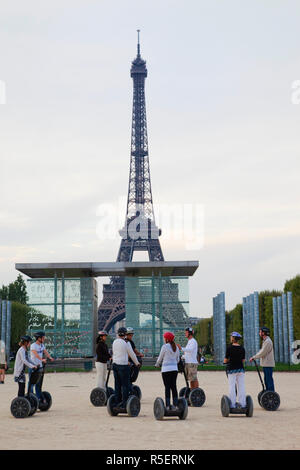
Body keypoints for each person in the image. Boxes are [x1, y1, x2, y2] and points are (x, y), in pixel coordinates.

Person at [112, 327, 140, 408]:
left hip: (115, 365)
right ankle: (124, 404)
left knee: (117, 385)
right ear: (125, 334)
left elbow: (114, 353)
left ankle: (117, 402)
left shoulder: (114, 342)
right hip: (123, 366)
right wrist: (137, 363)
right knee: (125, 385)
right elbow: (132, 354)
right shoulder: (126, 343)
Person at [155, 331, 180, 411]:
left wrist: (157, 364)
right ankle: (176, 405)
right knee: (174, 387)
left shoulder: (165, 347)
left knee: (167, 387)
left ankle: (168, 405)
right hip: (174, 370)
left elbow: (160, 358)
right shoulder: (176, 347)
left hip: (166, 370)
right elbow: (178, 360)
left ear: (167, 339)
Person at [28, 331, 54, 401]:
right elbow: (35, 354)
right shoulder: (33, 345)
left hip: (40, 367)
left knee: (38, 384)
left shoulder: (42, 345)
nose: (44, 339)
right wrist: (42, 359)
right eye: (43, 337)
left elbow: (45, 352)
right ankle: (31, 396)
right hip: (33, 367)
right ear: (39, 338)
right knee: (31, 383)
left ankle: (38, 398)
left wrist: (50, 357)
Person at [224, 332, 246, 408]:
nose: (230, 338)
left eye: (231, 337)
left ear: (233, 338)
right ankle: (243, 404)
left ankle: (232, 404)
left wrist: (225, 361)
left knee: (232, 387)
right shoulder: (242, 348)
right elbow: (243, 360)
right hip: (240, 369)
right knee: (241, 386)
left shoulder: (229, 348)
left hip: (231, 369)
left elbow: (225, 360)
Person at [250, 326, 275, 391]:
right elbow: (262, 351)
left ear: (263, 333)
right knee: (266, 380)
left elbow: (262, 352)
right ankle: (268, 393)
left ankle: (271, 393)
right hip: (266, 364)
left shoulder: (268, 342)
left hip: (268, 364)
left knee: (269, 380)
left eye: (260, 332)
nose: (259, 333)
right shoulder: (265, 341)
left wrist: (254, 357)